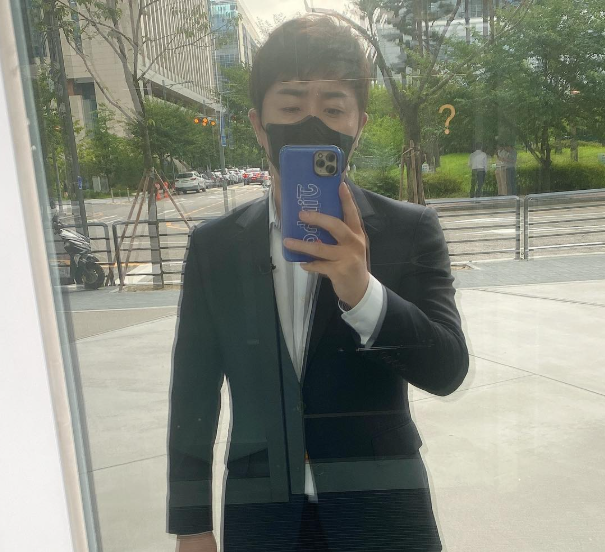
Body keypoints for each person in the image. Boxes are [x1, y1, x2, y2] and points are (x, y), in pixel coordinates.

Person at [167, 15, 468, 552]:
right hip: (263, 515)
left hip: (383, 512)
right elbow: (193, 392)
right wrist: (191, 526)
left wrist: (363, 291)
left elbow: (447, 371)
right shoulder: (214, 246)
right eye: (290, 107)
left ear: (358, 125)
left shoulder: (409, 230)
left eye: (332, 109)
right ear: (259, 125)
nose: (311, 124)